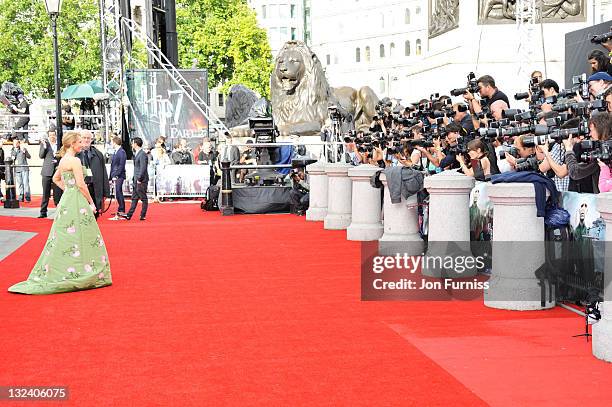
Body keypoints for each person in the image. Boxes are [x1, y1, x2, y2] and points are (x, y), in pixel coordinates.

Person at [8, 131, 112, 295]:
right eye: (79, 142)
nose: (81, 144)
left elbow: (57, 179)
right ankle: (85, 271)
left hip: (66, 202)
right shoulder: (75, 160)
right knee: (85, 235)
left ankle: (71, 269)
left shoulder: (64, 160)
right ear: (72, 144)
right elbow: (81, 185)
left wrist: (69, 190)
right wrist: (91, 203)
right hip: (77, 202)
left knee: (63, 236)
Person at [76, 130, 110, 217]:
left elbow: (104, 174)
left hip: (95, 190)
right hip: (80, 190)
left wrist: (106, 193)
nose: (86, 140)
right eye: (84, 138)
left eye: (88, 138)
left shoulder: (98, 154)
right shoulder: (75, 154)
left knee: (94, 216)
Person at [120, 137, 149, 221]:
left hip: (141, 180)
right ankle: (129, 215)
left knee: (143, 198)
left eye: (132, 143)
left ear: (136, 144)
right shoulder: (137, 153)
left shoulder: (142, 154)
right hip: (136, 179)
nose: (131, 145)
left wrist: (139, 179)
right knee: (134, 198)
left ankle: (142, 215)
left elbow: (143, 168)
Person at [39, 125, 62, 218]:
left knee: (58, 194)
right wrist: (44, 147)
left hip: (57, 171)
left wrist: (58, 161)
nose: (52, 136)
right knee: (45, 193)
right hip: (47, 171)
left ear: (56, 135)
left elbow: (63, 156)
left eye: (53, 135)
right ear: (48, 136)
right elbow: (41, 156)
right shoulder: (45, 144)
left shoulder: (59, 144)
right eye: (50, 135)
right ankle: (43, 212)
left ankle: (59, 212)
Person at [109, 136, 127, 220]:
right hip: (115, 175)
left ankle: (122, 209)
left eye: (112, 142)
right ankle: (120, 209)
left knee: (118, 191)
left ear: (115, 143)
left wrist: (116, 174)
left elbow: (121, 165)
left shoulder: (122, 152)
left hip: (119, 176)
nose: (111, 144)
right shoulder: (116, 152)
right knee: (117, 192)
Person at [10, 137, 31, 202]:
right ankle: (21, 196)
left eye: (17, 143)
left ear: (19, 143)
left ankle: (27, 197)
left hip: (24, 168)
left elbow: (29, 157)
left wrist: (25, 152)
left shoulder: (23, 149)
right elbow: (12, 159)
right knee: (20, 184)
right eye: (14, 143)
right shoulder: (12, 151)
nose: (15, 144)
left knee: (26, 183)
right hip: (17, 169)